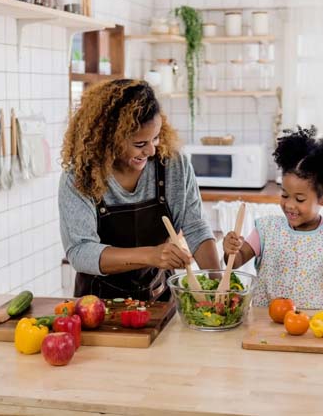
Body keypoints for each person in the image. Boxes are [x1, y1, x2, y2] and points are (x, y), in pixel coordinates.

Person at [59, 79, 219, 301]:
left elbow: (196, 228)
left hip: (158, 296)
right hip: (96, 303)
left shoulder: (173, 164)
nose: (152, 150)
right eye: (140, 144)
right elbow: (81, 252)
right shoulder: (80, 177)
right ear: (109, 139)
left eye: (155, 138)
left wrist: (219, 286)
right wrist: (151, 255)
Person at [222, 126, 323, 309]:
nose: (289, 205)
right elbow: (236, 261)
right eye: (285, 195)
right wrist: (230, 249)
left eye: (300, 199)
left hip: (314, 326)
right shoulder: (266, 229)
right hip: (267, 323)